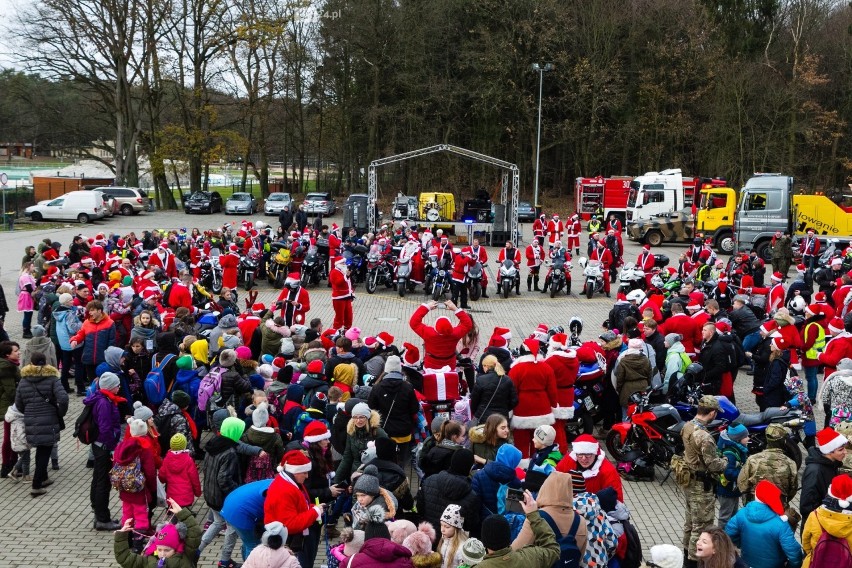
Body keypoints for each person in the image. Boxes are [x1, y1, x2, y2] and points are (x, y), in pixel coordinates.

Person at [682, 396, 728, 566]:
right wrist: (726, 462)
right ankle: (695, 562)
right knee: (701, 526)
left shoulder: (687, 426)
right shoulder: (705, 437)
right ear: (712, 413)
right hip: (701, 487)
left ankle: (686, 558)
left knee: (690, 522)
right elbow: (713, 464)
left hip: (689, 482)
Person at [14, 352, 68, 497]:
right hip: (49, 419)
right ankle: (36, 485)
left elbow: (18, 403)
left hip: (30, 420)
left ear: (30, 363)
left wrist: (28, 411)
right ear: (45, 362)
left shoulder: (24, 380)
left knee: (40, 449)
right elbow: (63, 398)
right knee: (44, 451)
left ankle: (43, 478)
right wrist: (60, 413)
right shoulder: (52, 379)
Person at [198, 417, 245, 566]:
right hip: (223, 498)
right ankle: (225, 561)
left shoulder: (212, 444)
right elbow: (224, 479)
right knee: (231, 529)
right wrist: (237, 493)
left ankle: (196, 550)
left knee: (217, 523)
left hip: (210, 494)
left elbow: (205, 469)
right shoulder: (229, 452)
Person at [264, 450, 324, 568]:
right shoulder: (285, 490)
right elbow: (290, 524)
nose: (307, 476)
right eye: (305, 473)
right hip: (288, 540)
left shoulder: (290, 482)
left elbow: (299, 506)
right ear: (295, 472)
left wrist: (313, 507)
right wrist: (314, 512)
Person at [725, 480, 803, 568]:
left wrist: (741, 544)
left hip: (746, 563)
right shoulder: (780, 524)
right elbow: (794, 554)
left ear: (755, 495)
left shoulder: (741, 514)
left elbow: (728, 534)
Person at [511, 471, 588, 556]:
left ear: (545, 488)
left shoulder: (536, 517)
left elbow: (517, 550)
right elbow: (580, 556)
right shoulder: (581, 521)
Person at [478, 490, 559, 568]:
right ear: (508, 537)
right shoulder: (530, 557)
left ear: (484, 542)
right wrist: (533, 514)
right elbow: (553, 550)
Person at [85, 371, 125, 530]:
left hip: (98, 445)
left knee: (98, 478)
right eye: (117, 385)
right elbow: (105, 427)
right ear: (110, 387)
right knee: (103, 482)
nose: (119, 387)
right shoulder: (104, 402)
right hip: (104, 446)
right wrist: (111, 447)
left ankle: (98, 512)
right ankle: (102, 518)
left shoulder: (102, 398)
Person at [113, 498, 201, 568]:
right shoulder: (148, 559)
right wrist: (121, 536)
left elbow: (195, 534)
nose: (162, 554)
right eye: (159, 549)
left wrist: (182, 514)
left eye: (167, 550)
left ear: (175, 548)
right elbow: (125, 559)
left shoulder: (184, 557)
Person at [507, 339, 557, 458]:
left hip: (522, 410)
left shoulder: (516, 369)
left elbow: (511, 391)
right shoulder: (546, 368)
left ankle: (522, 466)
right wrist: (554, 406)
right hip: (543, 409)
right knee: (541, 441)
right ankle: (538, 465)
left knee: (521, 442)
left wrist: (510, 409)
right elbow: (552, 391)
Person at [368, 355, 419, 469]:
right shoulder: (408, 387)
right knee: (401, 459)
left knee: (385, 459)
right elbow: (414, 409)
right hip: (403, 431)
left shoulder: (377, 388)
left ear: (386, 369)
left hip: (384, 431)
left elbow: (371, 408)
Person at [417, 449, 480, 536]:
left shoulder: (429, 481)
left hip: (428, 537)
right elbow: (470, 524)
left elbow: (420, 509)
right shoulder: (471, 495)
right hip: (452, 542)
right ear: (469, 468)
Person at [113, 418, 158, 539]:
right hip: (139, 487)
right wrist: (153, 489)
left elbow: (115, 465)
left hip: (124, 486)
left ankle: (126, 539)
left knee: (127, 512)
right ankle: (138, 542)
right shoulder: (144, 447)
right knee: (141, 514)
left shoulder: (121, 446)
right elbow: (150, 471)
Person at [737, 424, 799, 505]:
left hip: (755, 505)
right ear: (784, 441)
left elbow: (742, 485)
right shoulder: (790, 463)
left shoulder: (752, 460)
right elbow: (793, 489)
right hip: (778, 506)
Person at [801, 473, 852, 567]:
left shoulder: (814, 515)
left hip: (815, 563)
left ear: (830, 492)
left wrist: (813, 555)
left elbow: (805, 541)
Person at [800, 427, 847, 529]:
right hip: (817, 527)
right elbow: (807, 507)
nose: (845, 452)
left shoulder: (832, 464)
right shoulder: (815, 472)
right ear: (829, 451)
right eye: (841, 449)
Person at [555, 434, 624, 501]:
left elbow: (616, 501)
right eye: (580, 454)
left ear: (595, 454)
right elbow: (555, 482)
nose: (584, 458)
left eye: (588, 454)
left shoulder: (608, 471)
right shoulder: (568, 461)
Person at [409, 300, 473, 372]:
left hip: (430, 367)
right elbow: (468, 324)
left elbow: (414, 322)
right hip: (450, 367)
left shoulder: (429, 333)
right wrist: (455, 309)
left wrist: (426, 307)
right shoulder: (455, 334)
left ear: (435, 327)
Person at [220, 479, 275, 561]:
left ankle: (245, 562)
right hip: (239, 512)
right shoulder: (276, 489)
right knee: (253, 545)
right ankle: (249, 564)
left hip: (231, 503)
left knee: (247, 542)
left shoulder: (276, 482)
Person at [334, 401, 387, 483]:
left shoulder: (377, 432)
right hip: (356, 475)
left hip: (374, 475)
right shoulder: (351, 432)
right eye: (355, 417)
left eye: (361, 417)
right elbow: (347, 457)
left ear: (368, 417)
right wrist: (336, 481)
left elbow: (386, 456)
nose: (358, 421)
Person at [470, 444, 522, 520]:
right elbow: (515, 513)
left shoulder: (479, 476)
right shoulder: (516, 484)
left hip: (482, 525)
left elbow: (474, 505)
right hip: (505, 527)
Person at [69, 300, 117, 381]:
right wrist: (75, 340)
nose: (90, 313)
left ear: (99, 311)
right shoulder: (87, 322)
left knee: (103, 382)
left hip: (103, 359)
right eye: (89, 310)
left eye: (92, 310)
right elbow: (80, 334)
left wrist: (108, 357)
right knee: (92, 381)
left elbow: (111, 342)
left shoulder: (110, 323)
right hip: (89, 358)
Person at [716, 424, 749, 528]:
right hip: (727, 491)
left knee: (733, 516)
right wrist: (744, 473)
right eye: (746, 436)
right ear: (738, 439)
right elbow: (728, 473)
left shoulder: (738, 448)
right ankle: (720, 539)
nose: (748, 438)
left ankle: (730, 540)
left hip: (732, 491)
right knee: (725, 517)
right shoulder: (730, 453)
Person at [470, 355, 517, 424]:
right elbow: (514, 400)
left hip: (484, 417)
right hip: (502, 417)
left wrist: (478, 412)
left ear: (486, 366)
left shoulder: (481, 380)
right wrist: (505, 408)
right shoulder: (507, 379)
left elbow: (474, 401)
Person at [158, 433, 201, 509]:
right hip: (186, 495)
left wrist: (165, 479)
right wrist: (197, 492)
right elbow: (194, 478)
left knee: (174, 515)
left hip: (172, 495)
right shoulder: (188, 460)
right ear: (184, 445)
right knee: (185, 515)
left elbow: (162, 476)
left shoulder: (167, 459)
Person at [0, 341, 21, 479]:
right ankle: (7, 465)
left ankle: (11, 463)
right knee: (9, 436)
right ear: (7, 354)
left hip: (9, 406)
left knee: (12, 434)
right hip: (9, 407)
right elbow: (11, 391)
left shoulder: (9, 365)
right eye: (16, 351)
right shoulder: (7, 368)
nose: (19, 352)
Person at [329, 256, 354, 330]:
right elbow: (337, 282)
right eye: (342, 262)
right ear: (338, 264)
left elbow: (349, 283)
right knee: (339, 317)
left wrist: (351, 293)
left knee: (349, 316)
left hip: (347, 296)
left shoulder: (344, 270)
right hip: (338, 298)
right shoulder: (334, 272)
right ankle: (336, 331)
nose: (344, 264)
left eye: (344, 262)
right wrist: (346, 276)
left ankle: (347, 330)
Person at [18, 262, 37, 339]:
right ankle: (26, 331)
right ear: (28, 267)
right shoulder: (25, 276)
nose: (34, 268)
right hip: (26, 296)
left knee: (29, 314)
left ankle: (27, 330)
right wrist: (35, 294)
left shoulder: (28, 275)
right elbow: (29, 287)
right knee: (27, 315)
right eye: (32, 266)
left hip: (28, 296)